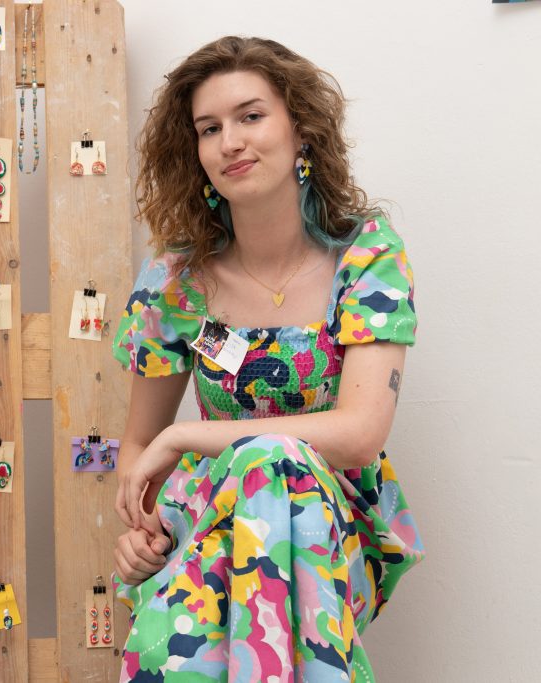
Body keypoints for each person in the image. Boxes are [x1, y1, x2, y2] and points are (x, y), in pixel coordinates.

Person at [110, 36, 424, 682]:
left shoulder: (365, 256)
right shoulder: (175, 280)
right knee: (256, 474)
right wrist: (142, 532)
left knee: (273, 461)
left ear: (301, 128)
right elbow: (140, 446)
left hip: (332, 526)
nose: (230, 142)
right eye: (209, 128)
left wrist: (187, 435)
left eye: (250, 116)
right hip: (209, 521)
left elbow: (360, 433)